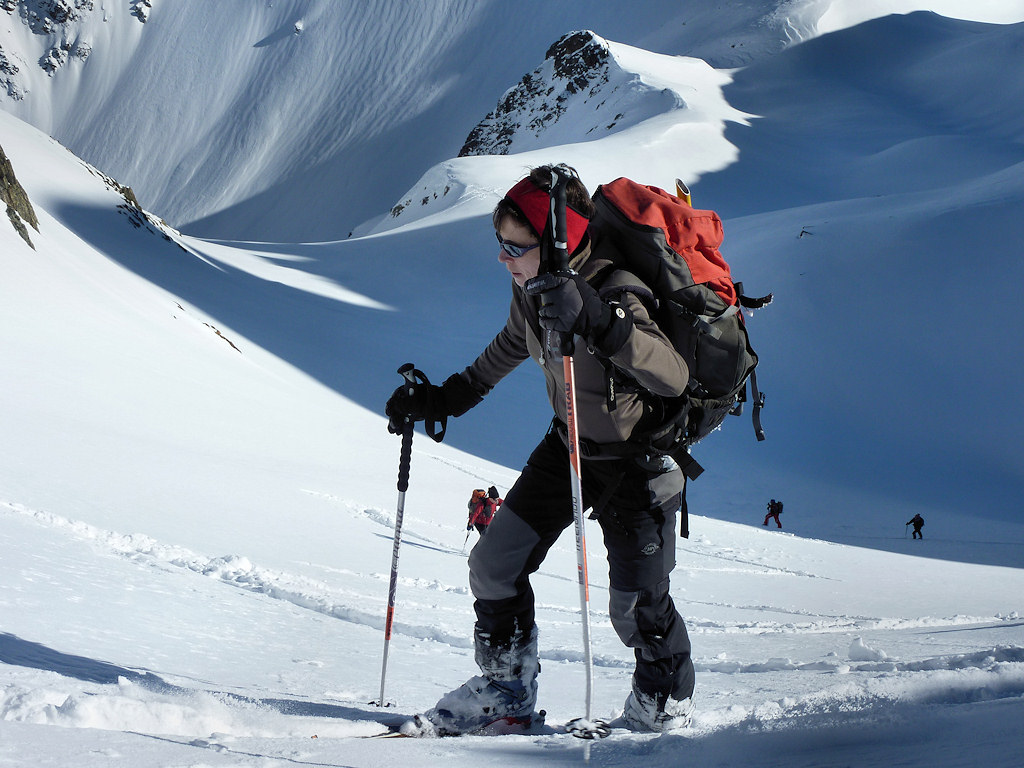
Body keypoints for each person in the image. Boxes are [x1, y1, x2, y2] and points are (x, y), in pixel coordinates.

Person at [386, 164, 694, 734]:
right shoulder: (532, 288)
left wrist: (601, 322)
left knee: (635, 607)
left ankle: (663, 700)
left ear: (559, 244)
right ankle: (506, 690)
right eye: (499, 243)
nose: (503, 259)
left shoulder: (616, 288)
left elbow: (673, 376)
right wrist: (448, 397)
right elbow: (511, 343)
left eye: (514, 247)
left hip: (635, 460)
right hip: (569, 445)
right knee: (493, 564)